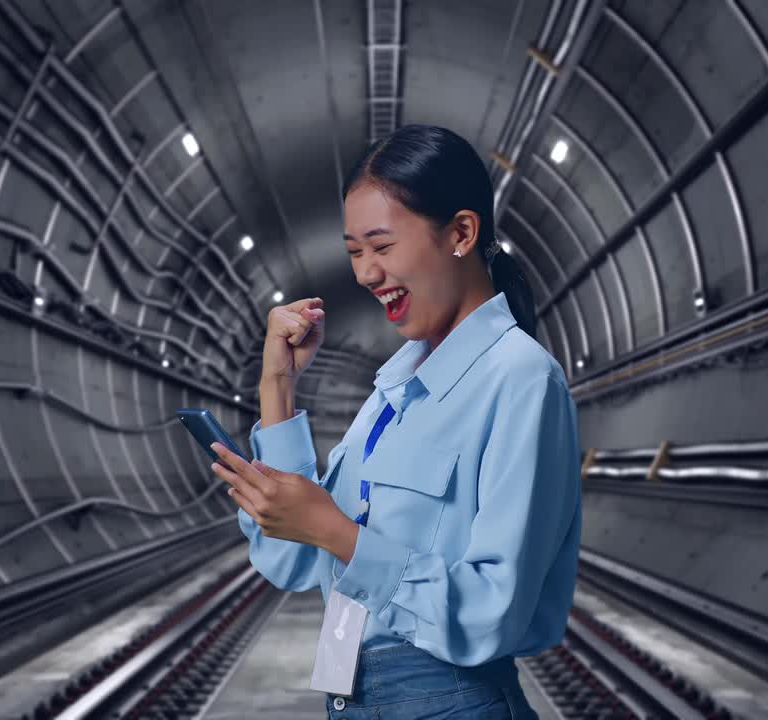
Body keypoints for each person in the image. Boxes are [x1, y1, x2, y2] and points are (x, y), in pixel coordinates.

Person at [208, 124, 581, 719]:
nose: (365, 273)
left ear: (461, 232)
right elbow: (293, 558)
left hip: (448, 701)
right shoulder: (394, 389)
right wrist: (277, 384)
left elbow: (494, 611)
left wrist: (334, 530)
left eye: (381, 247)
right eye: (355, 252)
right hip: (350, 694)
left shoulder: (520, 380)